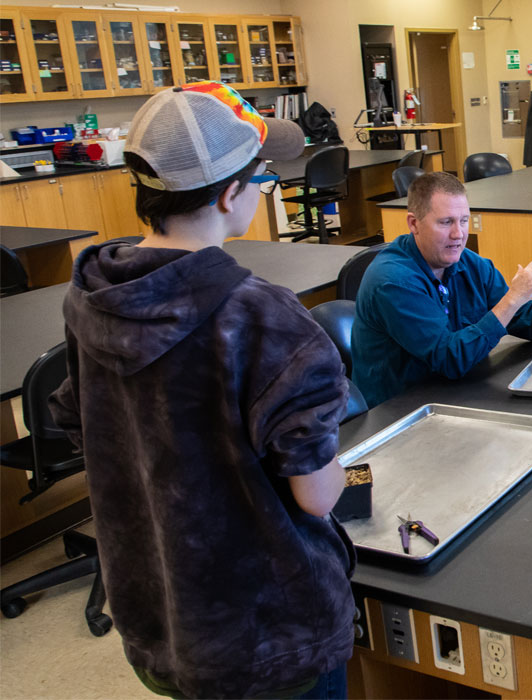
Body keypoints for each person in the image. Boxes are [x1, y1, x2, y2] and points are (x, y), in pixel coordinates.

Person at [48, 82, 356, 699]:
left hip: (161, 618)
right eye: (262, 175)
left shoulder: (91, 299)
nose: (265, 186)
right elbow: (318, 497)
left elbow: (86, 427)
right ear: (228, 194)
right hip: (272, 634)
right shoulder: (266, 317)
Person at [352, 171, 532, 407]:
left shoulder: (469, 263)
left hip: (453, 393)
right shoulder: (393, 281)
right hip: (396, 412)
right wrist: (513, 297)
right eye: (445, 222)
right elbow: (450, 359)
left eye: (464, 220)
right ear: (414, 224)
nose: (458, 234)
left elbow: (528, 323)